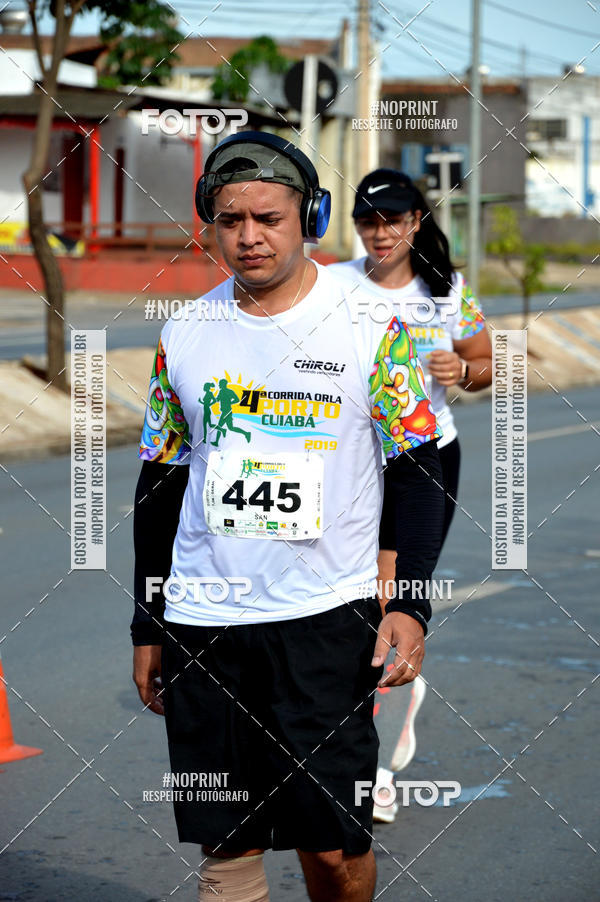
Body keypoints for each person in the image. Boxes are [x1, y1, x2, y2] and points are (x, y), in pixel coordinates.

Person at [132, 134, 445, 902]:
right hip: (205, 621)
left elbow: (418, 467)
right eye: (230, 219)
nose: (249, 237)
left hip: (325, 618)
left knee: (332, 846)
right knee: (225, 845)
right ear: (210, 223)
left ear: (309, 217)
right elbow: (161, 479)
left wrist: (408, 600)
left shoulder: (371, 326)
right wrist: (148, 622)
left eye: (268, 217)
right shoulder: (184, 334)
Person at [329, 168, 492, 823]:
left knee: (389, 597)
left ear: (416, 221)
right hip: (346, 462)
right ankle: (384, 719)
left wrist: (466, 370)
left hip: (422, 462)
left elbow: (490, 363)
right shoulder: (333, 284)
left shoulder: (447, 291)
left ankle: (377, 766)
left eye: (393, 220)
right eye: (368, 222)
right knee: (352, 601)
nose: (380, 233)